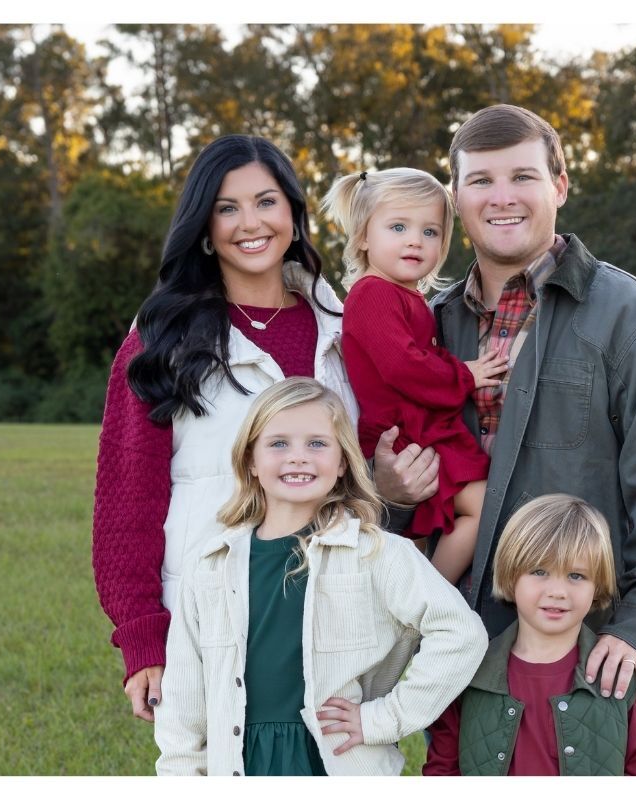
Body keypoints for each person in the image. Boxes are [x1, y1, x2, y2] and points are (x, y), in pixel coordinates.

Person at [375, 104, 636, 704]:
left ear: (559, 185)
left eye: (523, 177)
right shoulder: (422, 329)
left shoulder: (632, 318)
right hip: (459, 649)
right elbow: (389, 489)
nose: (501, 197)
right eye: (481, 180)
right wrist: (392, 496)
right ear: (456, 198)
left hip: (581, 647)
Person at [91, 135, 361, 723]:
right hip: (210, 617)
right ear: (205, 226)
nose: (250, 223)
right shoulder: (163, 339)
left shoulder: (343, 331)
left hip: (337, 616)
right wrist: (142, 638)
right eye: (226, 207)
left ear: (293, 211)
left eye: (266, 201)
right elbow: (126, 500)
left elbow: (361, 468)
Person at [154, 377, 488, 775]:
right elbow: (184, 696)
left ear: (343, 461)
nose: (298, 457)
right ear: (250, 462)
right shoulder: (209, 564)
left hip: (338, 759)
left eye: (317, 443)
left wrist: (383, 717)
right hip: (239, 761)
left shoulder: (377, 552)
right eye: (278, 443)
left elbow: (461, 634)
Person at [322, 168, 508, 583]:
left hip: (421, 429)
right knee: (481, 504)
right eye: (399, 227)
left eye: (430, 232)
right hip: (405, 435)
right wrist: (464, 375)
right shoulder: (371, 294)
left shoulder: (404, 295)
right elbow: (403, 365)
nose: (415, 240)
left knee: (420, 533)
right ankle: (434, 603)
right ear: (364, 237)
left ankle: (413, 603)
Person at [423, 494, 636, 776]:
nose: (557, 591)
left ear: (597, 585)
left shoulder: (619, 675)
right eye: (539, 571)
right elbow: (442, 770)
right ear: (512, 577)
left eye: (576, 575)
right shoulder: (469, 674)